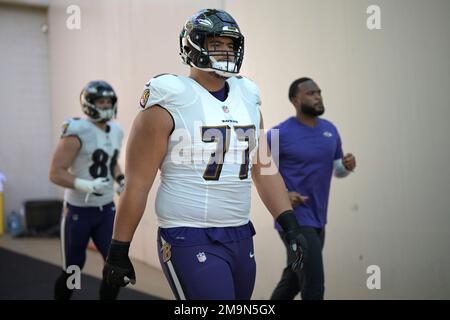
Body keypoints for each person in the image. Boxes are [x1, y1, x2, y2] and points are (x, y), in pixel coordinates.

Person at [102, 8, 307, 300]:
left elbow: (263, 167)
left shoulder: (247, 95)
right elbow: (137, 183)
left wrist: (290, 225)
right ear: (192, 46)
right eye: (215, 43)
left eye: (230, 44)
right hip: (188, 234)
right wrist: (119, 248)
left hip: (239, 231)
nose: (225, 51)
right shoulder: (168, 99)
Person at [268, 77, 356, 300]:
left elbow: (337, 169)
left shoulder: (330, 130)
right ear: (295, 100)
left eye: (319, 92)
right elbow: (260, 170)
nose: (318, 97)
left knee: (294, 279)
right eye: (311, 93)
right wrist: (283, 195)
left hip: (318, 218)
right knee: (314, 284)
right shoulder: (279, 134)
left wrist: (346, 166)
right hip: (294, 220)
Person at [49, 80, 125, 300]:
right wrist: (86, 185)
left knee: (115, 266)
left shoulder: (116, 130)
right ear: (89, 103)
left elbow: (111, 161)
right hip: (78, 211)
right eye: (100, 101)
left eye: (108, 101)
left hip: (106, 210)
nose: (105, 105)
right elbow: (55, 172)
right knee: (73, 267)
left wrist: (120, 179)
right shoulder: (77, 130)